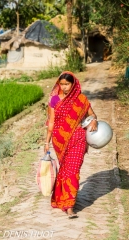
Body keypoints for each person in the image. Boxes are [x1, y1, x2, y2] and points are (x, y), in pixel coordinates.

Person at [44, 71, 97, 217]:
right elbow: (51, 122)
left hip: (78, 139)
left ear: (73, 84)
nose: (64, 87)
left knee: (73, 171)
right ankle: (62, 198)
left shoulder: (81, 99)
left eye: (67, 84)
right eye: (61, 84)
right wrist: (46, 142)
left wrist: (93, 120)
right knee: (65, 170)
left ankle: (69, 205)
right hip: (59, 141)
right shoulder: (54, 100)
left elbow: (92, 114)